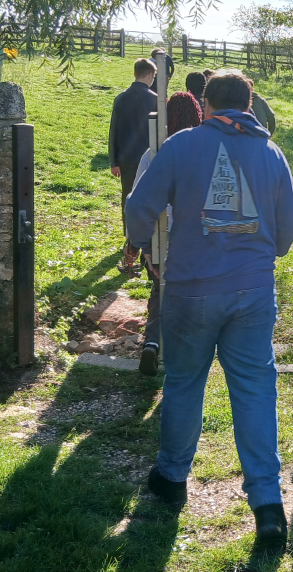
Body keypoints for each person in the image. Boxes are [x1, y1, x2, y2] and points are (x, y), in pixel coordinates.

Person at [125, 70, 293, 553]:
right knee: (255, 389)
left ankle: (172, 477)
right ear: (249, 104)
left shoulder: (181, 146)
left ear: (205, 104)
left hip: (190, 290)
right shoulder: (271, 153)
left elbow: (140, 206)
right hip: (253, 293)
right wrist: (263, 251)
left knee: (184, 381)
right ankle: (268, 505)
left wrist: (143, 246)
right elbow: (289, 228)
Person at [131, 91, 203, 375]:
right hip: (194, 234)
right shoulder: (204, 150)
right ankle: (181, 348)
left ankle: (152, 342)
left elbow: (138, 198)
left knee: (161, 290)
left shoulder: (153, 151)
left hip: (161, 233)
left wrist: (145, 247)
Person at [109, 58, 158, 273]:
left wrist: (113, 161)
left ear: (135, 73)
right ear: (150, 75)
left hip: (127, 159)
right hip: (149, 158)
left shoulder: (121, 98)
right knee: (148, 201)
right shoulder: (155, 100)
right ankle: (144, 241)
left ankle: (129, 240)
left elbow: (114, 131)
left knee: (127, 199)